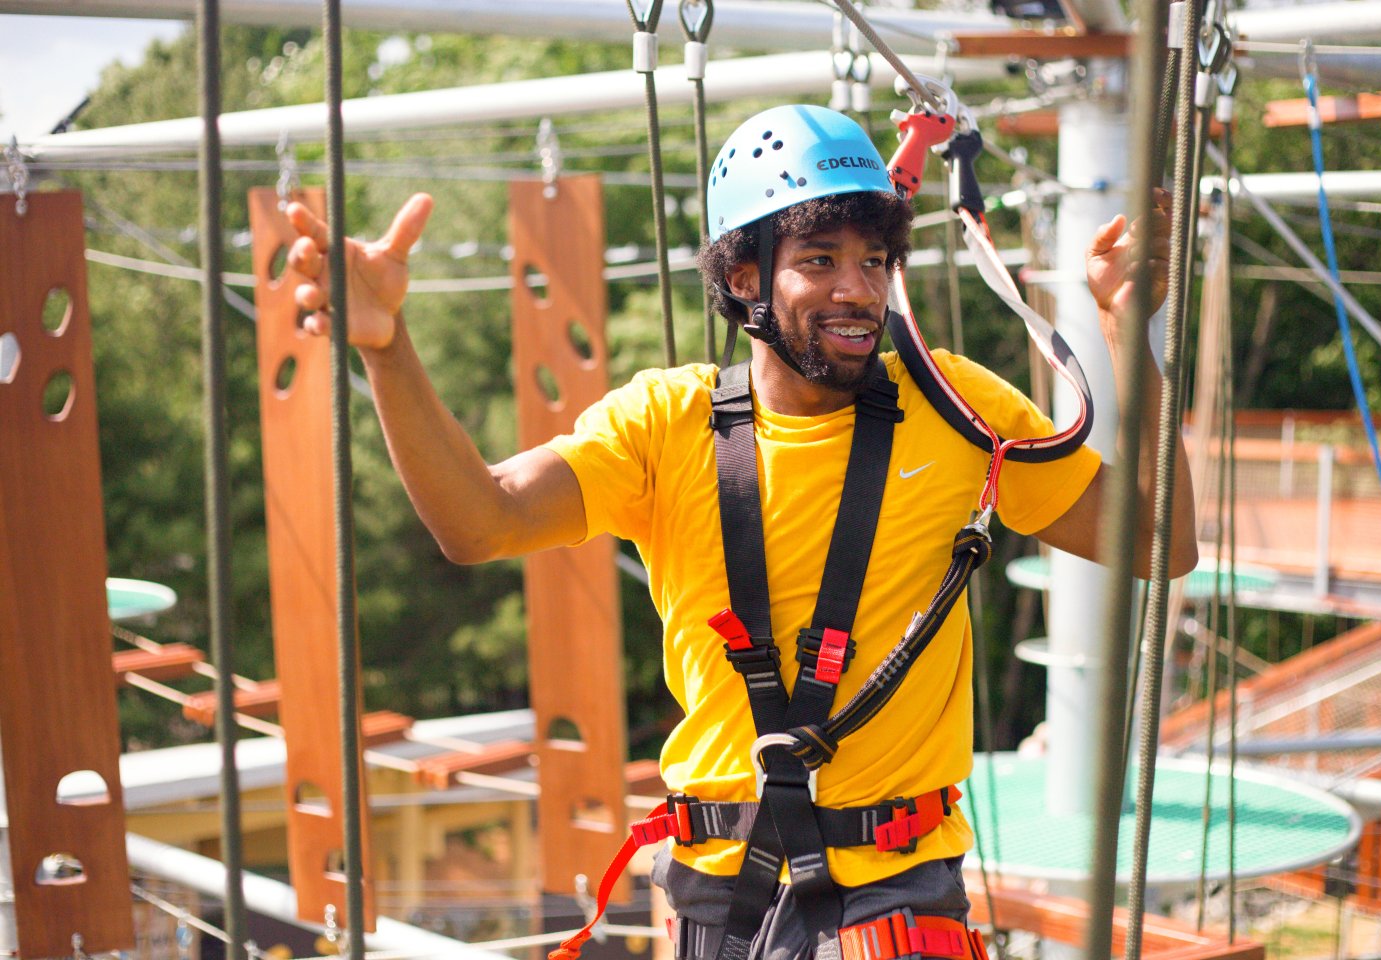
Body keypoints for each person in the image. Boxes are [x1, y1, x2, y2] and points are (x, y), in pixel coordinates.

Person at [287, 103, 1197, 960]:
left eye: (876, 262)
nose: (858, 291)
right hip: (722, 896)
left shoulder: (953, 406)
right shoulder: (664, 426)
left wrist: (1130, 332)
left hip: (900, 886)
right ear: (742, 277)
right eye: (821, 261)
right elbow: (480, 520)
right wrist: (387, 346)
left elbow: (1162, 543)